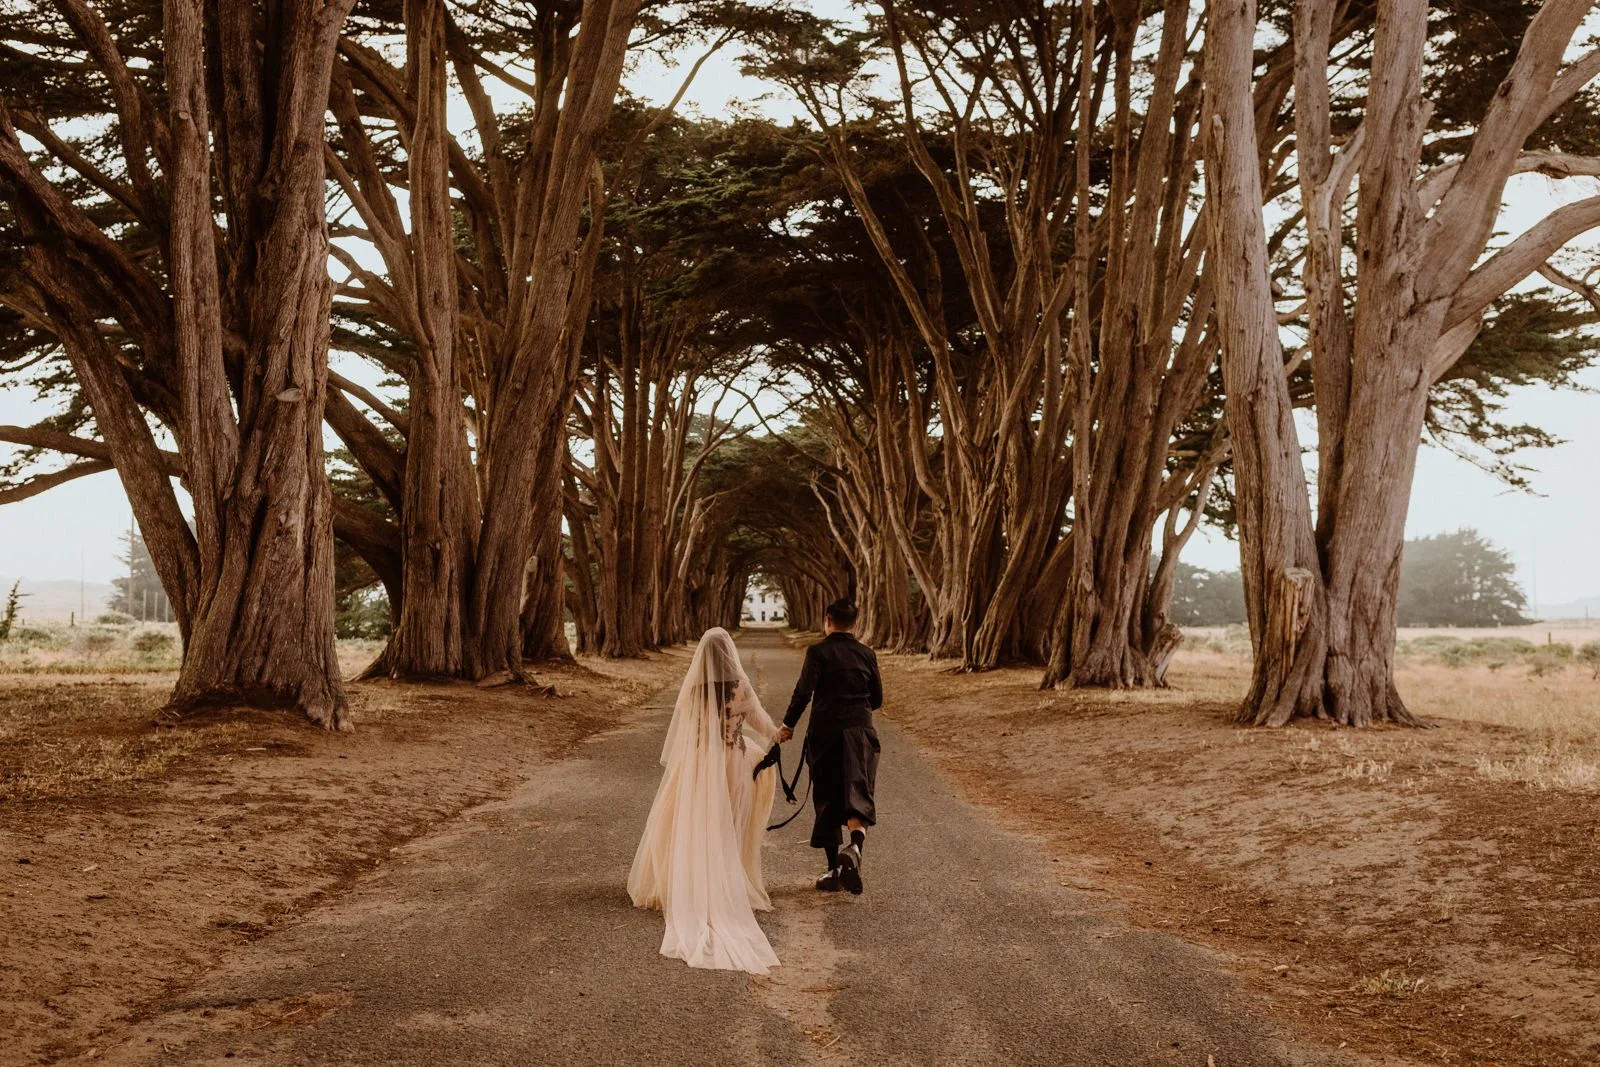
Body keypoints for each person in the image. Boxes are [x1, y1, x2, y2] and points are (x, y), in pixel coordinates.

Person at [627, 627, 783, 974]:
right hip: (732, 764)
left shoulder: (694, 688)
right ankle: (727, 883)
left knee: (690, 824)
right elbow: (760, 723)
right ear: (729, 654)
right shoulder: (740, 686)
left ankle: (686, 882)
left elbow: (685, 731)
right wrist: (778, 734)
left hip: (698, 764)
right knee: (729, 825)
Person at [779, 599, 882, 895]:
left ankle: (833, 871)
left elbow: (803, 692)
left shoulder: (818, 651)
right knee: (858, 791)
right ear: (856, 624)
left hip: (826, 733)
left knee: (827, 797)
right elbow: (877, 698)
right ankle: (855, 848)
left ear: (827, 620)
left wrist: (788, 725)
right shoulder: (867, 653)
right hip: (860, 731)